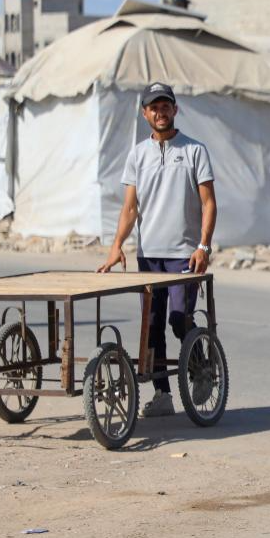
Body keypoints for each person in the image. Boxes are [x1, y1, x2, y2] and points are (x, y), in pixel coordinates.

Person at [97, 82, 216, 417]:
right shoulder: (137, 154)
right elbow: (130, 208)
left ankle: (201, 366)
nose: (160, 112)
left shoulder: (195, 150)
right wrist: (116, 246)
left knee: (179, 320)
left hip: (184, 254)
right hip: (149, 255)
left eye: (166, 106)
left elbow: (209, 203)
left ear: (175, 110)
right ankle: (162, 395)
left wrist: (203, 245)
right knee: (152, 327)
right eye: (154, 107)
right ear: (144, 113)